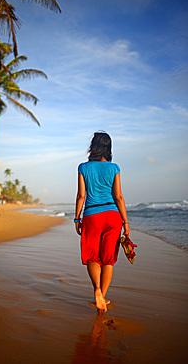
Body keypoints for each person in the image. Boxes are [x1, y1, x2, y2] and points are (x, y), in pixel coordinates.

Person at [74, 132, 130, 312]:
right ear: (108, 147)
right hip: (113, 216)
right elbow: (119, 197)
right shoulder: (114, 168)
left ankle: (97, 290)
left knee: (91, 255)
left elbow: (82, 195)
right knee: (108, 259)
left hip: (92, 215)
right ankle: (102, 296)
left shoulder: (83, 167)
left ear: (93, 146)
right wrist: (126, 223)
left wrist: (77, 218)